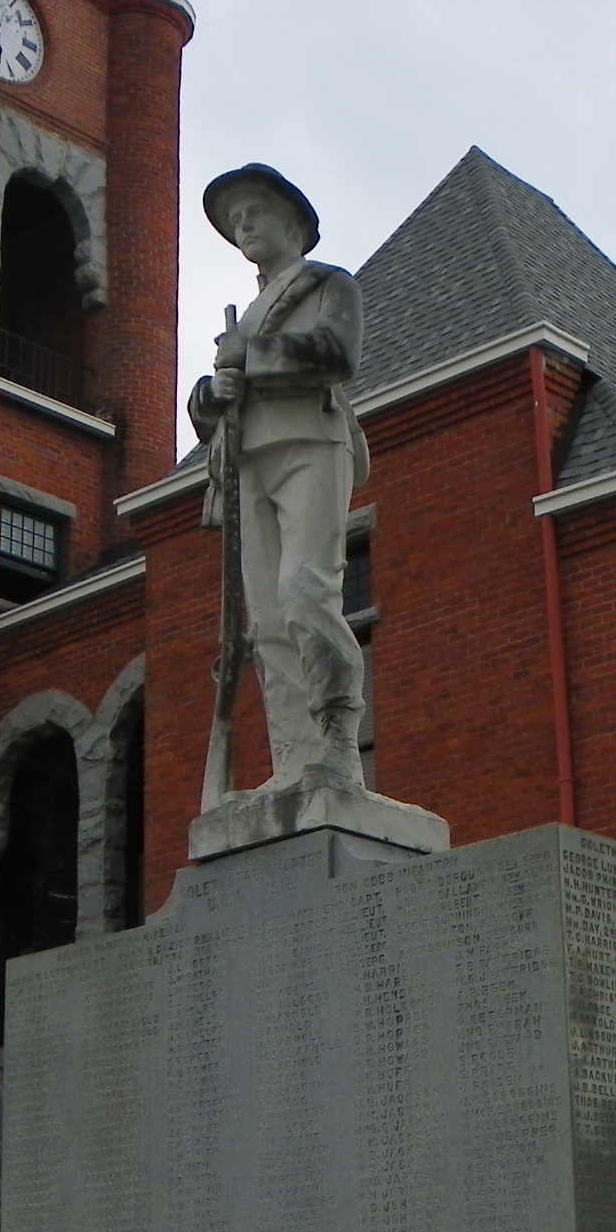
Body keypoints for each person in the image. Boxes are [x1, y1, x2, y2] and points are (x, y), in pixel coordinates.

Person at [187, 164, 369, 792]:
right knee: (265, 619)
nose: (243, 228)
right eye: (235, 221)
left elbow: (336, 355)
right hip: (243, 462)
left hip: (309, 443)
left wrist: (252, 360)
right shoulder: (244, 315)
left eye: (254, 214)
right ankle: (292, 759)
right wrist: (212, 390)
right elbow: (205, 406)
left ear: (293, 223)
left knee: (303, 592)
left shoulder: (328, 284)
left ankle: (338, 739)